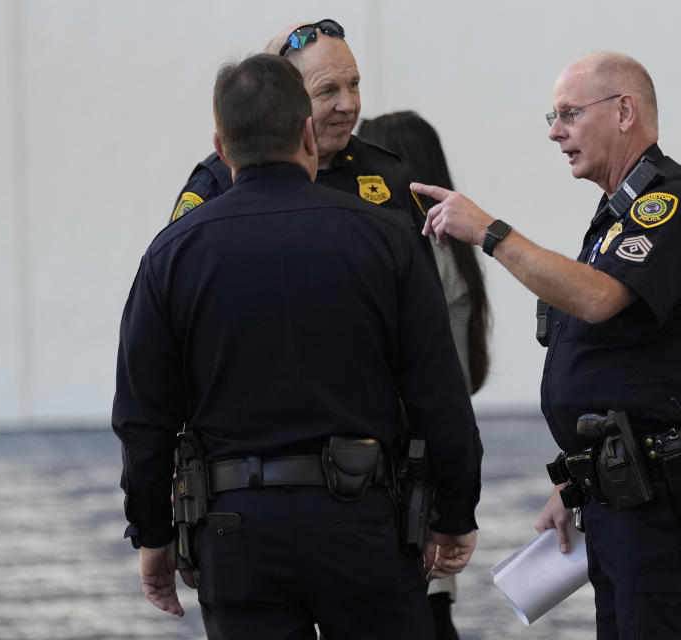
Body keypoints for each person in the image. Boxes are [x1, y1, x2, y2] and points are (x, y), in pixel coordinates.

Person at [113, 54, 482, 640]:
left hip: (235, 534)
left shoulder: (173, 254)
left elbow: (143, 414)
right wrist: (454, 513)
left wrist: (153, 532)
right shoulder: (385, 238)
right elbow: (438, 391)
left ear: (221, 145)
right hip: (365, 527)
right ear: (308, 134)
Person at [412, 52, 681, 639]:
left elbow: (598, 299)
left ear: (624, 112)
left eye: (568, 114)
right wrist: (577, 482)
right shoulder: (617, 216)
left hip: (663, 506)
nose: (554, 131)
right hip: (621, 498)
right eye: (552, 115)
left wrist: (490, 232)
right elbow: (623, 369)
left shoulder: (674, 203)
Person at [359, 111, 491, 640]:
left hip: (410, 485)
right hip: (427, 475)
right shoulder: (446, 251)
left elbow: (433, 387)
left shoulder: (419, 252)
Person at [169, 19, 429, 250]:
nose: (349, 104)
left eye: (353, 84)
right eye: (327, 90)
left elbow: (425, 293)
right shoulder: (217, 185)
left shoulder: (389, 174)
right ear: (283, 99)